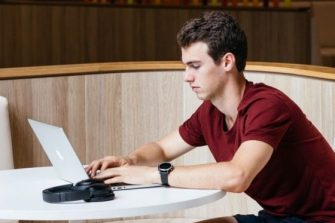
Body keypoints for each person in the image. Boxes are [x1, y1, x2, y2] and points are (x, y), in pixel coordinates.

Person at [86, 11, 335, 223]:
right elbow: (162, 149)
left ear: (227, 61)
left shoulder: (267, 105)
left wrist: (153, 174)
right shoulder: (211, 111)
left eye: (195, 66)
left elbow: (237, 176)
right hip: (278, 217)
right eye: (185, 66)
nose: (187, 76)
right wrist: (128, 161)